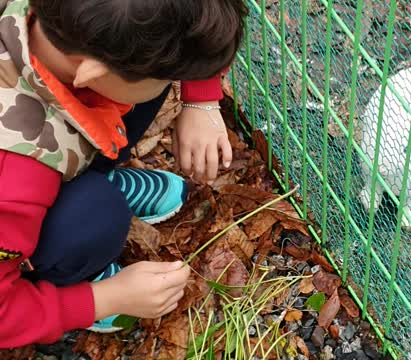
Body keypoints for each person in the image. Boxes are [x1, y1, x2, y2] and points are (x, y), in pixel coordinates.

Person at [0, 0, 248, 348]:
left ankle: (89, 178)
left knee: (141, 76)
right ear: (89, 72)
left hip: (44, 139)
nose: (176, 79)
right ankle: (74, 270)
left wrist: (201, 100)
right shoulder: (13, 181)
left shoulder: (65, 27)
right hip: (19, 191)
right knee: (96, 219)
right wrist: (104, 298)